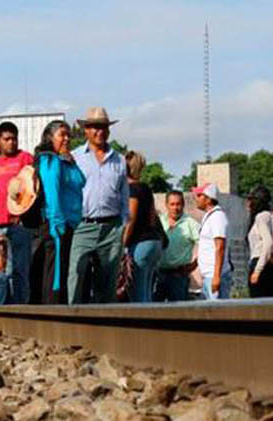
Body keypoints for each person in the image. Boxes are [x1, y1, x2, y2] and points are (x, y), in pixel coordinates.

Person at [70, 107, 128, 304]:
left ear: (109, 130)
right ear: (86, 130)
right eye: (94, 127)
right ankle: (72, 321)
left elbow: (124, 196)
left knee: (107, 282)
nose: (99, 132)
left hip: (111, 227)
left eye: (102, 127)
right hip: (82, 225)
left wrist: (123, 226)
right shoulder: (75, 157)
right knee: (75, 277)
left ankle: (104, 326)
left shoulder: (119, 160)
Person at [35, 120, 83, 304]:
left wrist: (71, 161)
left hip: (69, 224)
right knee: (54, 274)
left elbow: (80, 180)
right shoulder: (49, 160)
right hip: (57, 225)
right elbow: (51, 193)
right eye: (62, 134)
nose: (67, 138)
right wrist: (57, 223)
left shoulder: (64, 161)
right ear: (50, 137)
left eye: (68, 134)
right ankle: (52, 310)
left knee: (62, 271)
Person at [0, 121, 35, 304]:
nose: (11, 143)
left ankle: (21, 306)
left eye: (14, 139)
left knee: (20, 270)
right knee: (2, 271)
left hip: (19, 225)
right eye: (7, 139)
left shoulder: (26, 159)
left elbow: (34, 189)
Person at [122, 151, 164, 303]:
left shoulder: (131, 189)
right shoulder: (146, 188)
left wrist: (123, 243)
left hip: (139, 243)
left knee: (137, 292)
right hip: (154, 242)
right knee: (147, 290)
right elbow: (153, 218)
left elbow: (130, 219)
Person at [157, 191, 200, 302]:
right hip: (158, 274)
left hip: (179, 276)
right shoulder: (159, 221)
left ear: (183, 205)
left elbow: (206, 246)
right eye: (172, 204)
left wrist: (194, 265)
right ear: (166, 205)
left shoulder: (191, 224)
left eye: (178, 204)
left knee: (177, 312)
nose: (176, 208)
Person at [193, 183, 232, 299]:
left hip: (214, 275)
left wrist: (216, 276)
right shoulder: (209, 216)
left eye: (200, 195)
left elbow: (219, 247)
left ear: (208, 199)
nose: (196, 198)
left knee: (218, 313)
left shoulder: (217, 217)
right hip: (208, 276)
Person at [246, 185, 273, 297]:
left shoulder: (261, 217)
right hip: (271, 265)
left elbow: (268, 242)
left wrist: (257, 270)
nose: (248, 203)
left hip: (261, 263)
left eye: (250, 199)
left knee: (258, 307)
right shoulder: (270, 217)